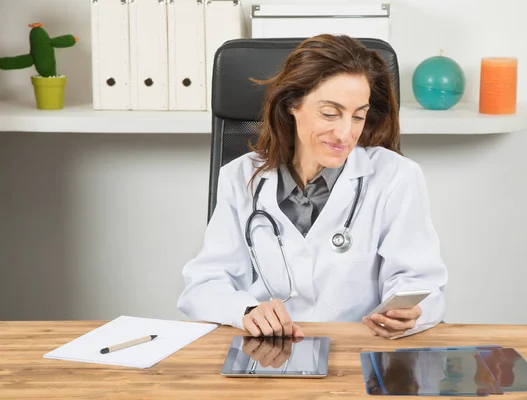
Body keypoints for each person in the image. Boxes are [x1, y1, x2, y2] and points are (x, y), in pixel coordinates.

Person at [177, 34, 448, 340]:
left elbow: (421, 284)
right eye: (330, 113)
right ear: (292, 104)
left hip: (357, 353)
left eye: (358, 116)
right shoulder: (240, 177)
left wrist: (409, 312)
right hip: (267, 353)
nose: (346, 133)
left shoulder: (396, 177)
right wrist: (246, 310)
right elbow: (203, 286)